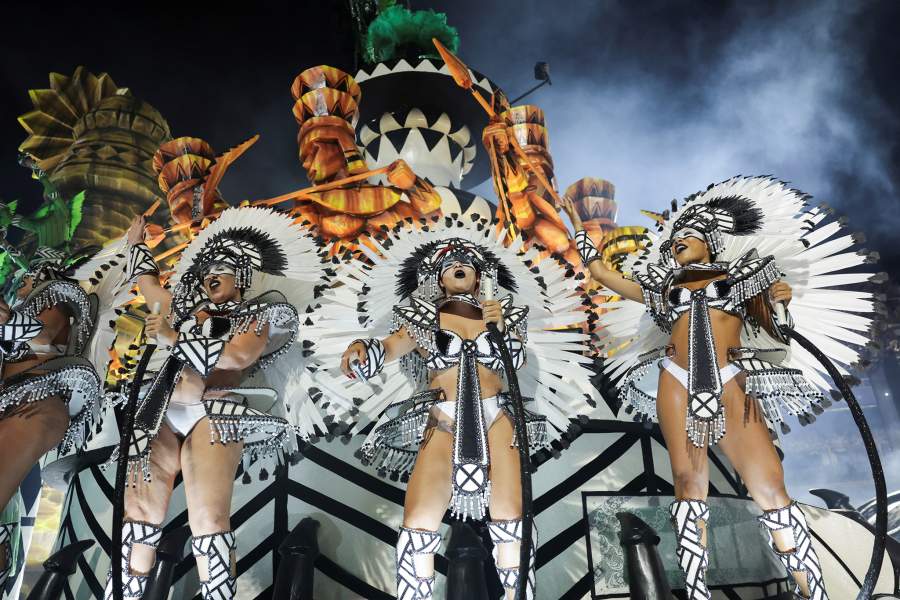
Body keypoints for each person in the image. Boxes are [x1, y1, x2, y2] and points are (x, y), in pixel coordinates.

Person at [564, 176, 878, 600]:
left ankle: (813, 592)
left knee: (770, 488)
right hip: (675, 380)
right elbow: (601, 273)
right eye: (672, 241)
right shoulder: (663, 288)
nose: (676, 242)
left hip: (731, 379)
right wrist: (578, 229)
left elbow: (776, 331)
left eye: (686, 237)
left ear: (710, 240)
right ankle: (697, 594)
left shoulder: (747, 274)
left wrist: (779, 301)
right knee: (688, 485)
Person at [324, 216, 598, 600]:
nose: (459, 263)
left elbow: (514, 362)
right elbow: (388, 348)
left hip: (497, 414)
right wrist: (362, 351)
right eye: (450, 262)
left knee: (511, 519)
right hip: (442, 417)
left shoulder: (503, 314)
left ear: (479, 275)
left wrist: (500, 326)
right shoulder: (420, 317)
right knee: (419, 521)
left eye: (467, 262)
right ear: (437, 276)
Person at [104, 207, 323, 600]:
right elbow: (149, 285)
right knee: (138, 519)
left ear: (240, 278)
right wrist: (136, 246)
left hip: (215, 411)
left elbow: (238, 357)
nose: (211, 278)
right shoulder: (179, 308)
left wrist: (173, 339)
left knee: (207, 518)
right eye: (206, 273)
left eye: (220, 271)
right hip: (159, 413)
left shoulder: (258, 312)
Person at [0, 250, 101, 590]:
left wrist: (13, 323)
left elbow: (39, 335)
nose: (25, 290)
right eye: (26, 285)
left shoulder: (42, 413)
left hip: (34, 411)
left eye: (33, 286)